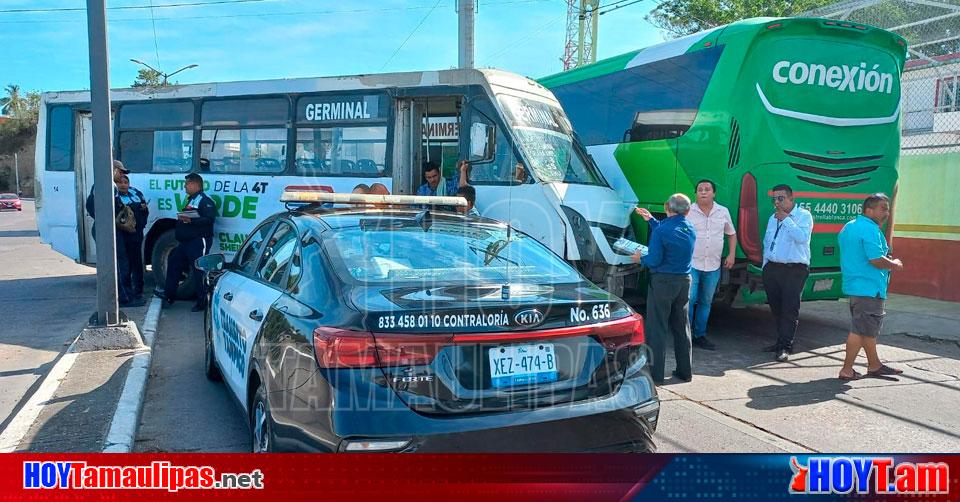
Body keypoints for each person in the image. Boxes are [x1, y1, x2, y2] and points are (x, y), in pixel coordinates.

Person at [837, 194, 904, 380]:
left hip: (856, 287)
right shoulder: (870, 229)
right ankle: (847, 370)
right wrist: (895, 264)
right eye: (883, 208)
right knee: (859, 331)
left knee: (867, 330)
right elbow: (875, 260)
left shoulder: (849, 227)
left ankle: (875, 365)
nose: (887, 213)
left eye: (888, 209)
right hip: (869, 288)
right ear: (869, 210)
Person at [633, 194, 697, 385]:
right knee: (681, 326)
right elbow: (672, 232)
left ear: (667, 207)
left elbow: (654, 259)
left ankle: (655, 375)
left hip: (663, 281)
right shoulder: (690, 227)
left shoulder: (661, 232)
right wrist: (651, 220)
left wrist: (640, 258)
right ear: (687, 210)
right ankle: (685, 372)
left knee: (657, 328)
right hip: (684, 281)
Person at [761, 184, 813, 362]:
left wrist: (786, 219)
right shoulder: (772, 218)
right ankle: (780, 341)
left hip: (794, 269)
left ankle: (785, 346)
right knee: (776, 307)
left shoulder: (803, 216)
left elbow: (802, 238)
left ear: (791, 199)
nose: (776, 202)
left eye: (780, 198)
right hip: (773, 268)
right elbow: (767, 242)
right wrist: (765, 265)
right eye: (774, 199)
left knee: (790, 309)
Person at [686, 179, 736, 351]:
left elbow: (731, 234)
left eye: (707, 189)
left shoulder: (723, 212)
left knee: (706, 301)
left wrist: (731, 254)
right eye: (700, 189)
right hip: (692, 263)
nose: (703, 192)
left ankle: (700, 335)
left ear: (714, 193)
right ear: (696, 194)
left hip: (713, 265)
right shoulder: (688, 212)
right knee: (690, 299)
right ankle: (686, 335)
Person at [84, 160, 143, 307]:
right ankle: (123, 299)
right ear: (113, 170)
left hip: (110, 228)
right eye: (121, 171)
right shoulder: (107, 185)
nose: (122, 175)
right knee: (118, 263)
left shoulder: (107, 185)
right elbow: (92, 207)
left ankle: (126, 296)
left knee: (122, 262)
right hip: (107, 229)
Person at [163, 173, 217, 312]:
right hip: (185, 243)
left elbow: (209, 220)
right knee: (174, 263)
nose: (185, 186)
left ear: (195, 184)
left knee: (200, 271)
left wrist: (191, 220)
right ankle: (169, 295)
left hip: (198, 242)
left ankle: (202, 302)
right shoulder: (191, 200)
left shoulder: (205, 201)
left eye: (187, 184)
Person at [116, 174, 149, 300]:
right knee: (125, 263)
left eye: (126, 182)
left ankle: (138, 289)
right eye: (120, 182)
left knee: (136, 262)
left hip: (136, 233)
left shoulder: (136, 193)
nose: (123, 185)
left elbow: (144, 209)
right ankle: (126, 290)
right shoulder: (115, 195)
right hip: (123, 235)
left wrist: (141, 224)